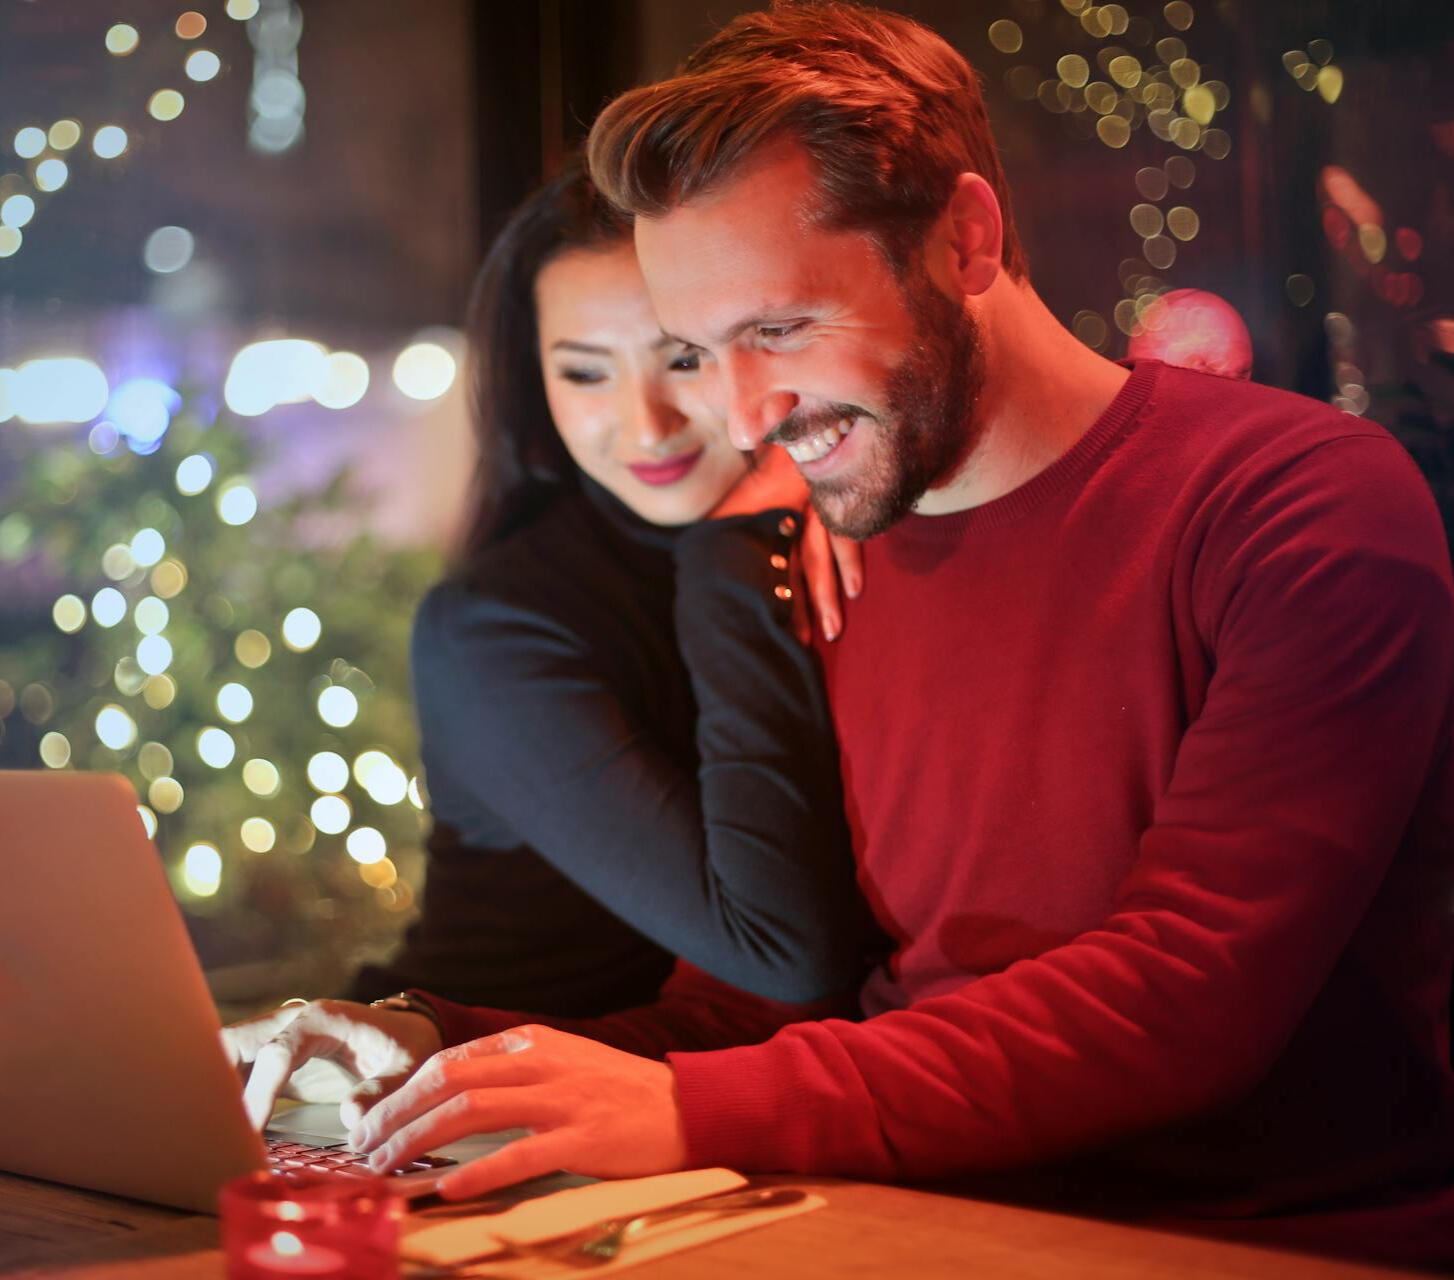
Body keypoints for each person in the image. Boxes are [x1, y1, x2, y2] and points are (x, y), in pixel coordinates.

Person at [237, 5, 1454, 1263]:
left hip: (1246, 1240)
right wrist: (445, 1053)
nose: (740, 416)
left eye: (776, 328)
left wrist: (689, 1105)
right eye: (699, 350)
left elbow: (1189, 991)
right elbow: (761, 1014)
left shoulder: (1295, 505)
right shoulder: (826, 544)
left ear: (965, 239)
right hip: (889, 1216)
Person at [223, 162, 873, 1128]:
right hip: (432, 1100)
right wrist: (738, 540)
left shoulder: (827, 541)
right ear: (537, 382)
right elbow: (784, 953)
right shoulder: (498, 627)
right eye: (583, 372)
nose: (645, 424)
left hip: (653, 1106)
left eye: (681, 360)